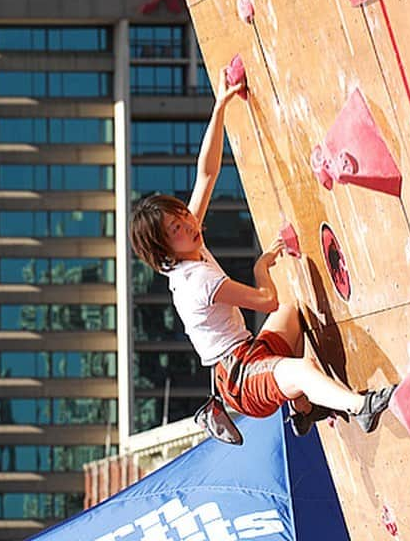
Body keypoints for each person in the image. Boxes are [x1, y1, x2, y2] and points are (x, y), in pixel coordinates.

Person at [129, 65, 395, 436]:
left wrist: (219, 106)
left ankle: (303, 407)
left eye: (182, 216)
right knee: (303, 368)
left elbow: (206, 174)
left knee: (293, 313)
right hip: (240, 382)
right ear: (163, 248)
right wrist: (261, 268)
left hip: (247, 357)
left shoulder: (185, 251)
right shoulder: (199, 280)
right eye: (177, 227)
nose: (189, 223)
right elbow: (265, 300)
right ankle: (362, 406)